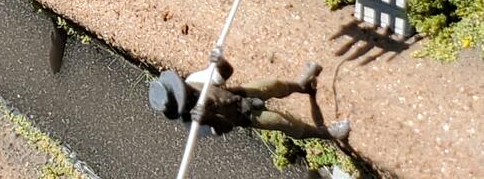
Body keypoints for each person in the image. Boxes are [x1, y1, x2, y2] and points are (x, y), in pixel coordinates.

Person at [149, 50, 350, 140]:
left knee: (275, 85)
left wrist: (219, 61)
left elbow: (226, 73)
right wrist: (207, 119)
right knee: (282, 122)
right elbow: (227, 128)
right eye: (187, 97)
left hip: (241, 93)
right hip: (246, 117)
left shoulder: (195, 80)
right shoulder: (192, 126)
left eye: (185, 90)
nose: (191, 93)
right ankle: (325, 134)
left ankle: (301, 85)